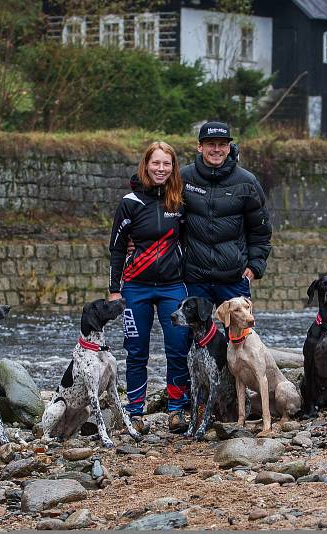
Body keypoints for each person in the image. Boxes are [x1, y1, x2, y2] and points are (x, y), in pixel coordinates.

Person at [108, 141, 190, 434]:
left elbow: (192, 238)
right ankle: (135, 413)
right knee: (137, 351)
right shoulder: (130, 201)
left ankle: (177, 410)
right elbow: (116, 249)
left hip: (173, 287)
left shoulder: (180, 200)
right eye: (156, 163)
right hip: (135, 288)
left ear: (173, 167)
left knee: (178, 348)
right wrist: (114, 290)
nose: (161, 169)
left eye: (166, 164)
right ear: (146, 165)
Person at [181, 121, 273, 306]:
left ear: (229, 147)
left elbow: (260, 230)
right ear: (200, 146)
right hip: (194, 279)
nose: (217, 149)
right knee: (191, 335)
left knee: (239, 335)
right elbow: (163, 217)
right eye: (211, 144)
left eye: (222, 144)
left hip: (234, 279)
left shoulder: (247, 182)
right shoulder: (183, 178)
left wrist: (255, 267)